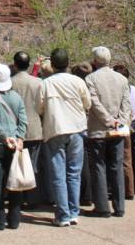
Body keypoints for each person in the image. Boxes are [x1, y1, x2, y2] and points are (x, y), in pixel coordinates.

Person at [37, 48, 91, 227]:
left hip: (56, 130)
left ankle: (63, 215)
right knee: (73, 173)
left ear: (52, 64)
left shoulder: (45, 83)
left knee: (58, 174)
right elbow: (87, 103)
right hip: (77, 129)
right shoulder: (78, 81)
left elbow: (39, 107)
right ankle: (73, 212)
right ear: (68, 63)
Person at [85, 46, 131, 218]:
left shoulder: (90, 78)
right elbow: (126, 104)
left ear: (95, 61)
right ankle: (120, 207)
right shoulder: (121, 79)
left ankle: (102, 208)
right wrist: (120, 122)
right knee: (116, 167)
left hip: (98, 130)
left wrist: (108, 120)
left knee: (99, 167)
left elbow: (94, 103)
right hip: (118, 131)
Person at [0, 63, 28, 230]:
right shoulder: (16, 97)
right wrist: (19, 137)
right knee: (14, 180)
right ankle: (14, 218)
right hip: (15, 144)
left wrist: (4, 137)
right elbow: (23, 119)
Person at [11, 51, 43, 206]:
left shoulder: (10, 83)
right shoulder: (38, 82)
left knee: (15, 164)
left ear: (15, 64)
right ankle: (33, 199)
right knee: (34, 165)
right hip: (35, 127)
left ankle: (16, 197)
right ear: (28, 64)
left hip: (15, 129)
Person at [113, 64, 135, 195]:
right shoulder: (132, 88)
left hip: (121, 123)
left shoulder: (116, 90)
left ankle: (124, 187)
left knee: (121, 154)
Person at [71, 62, 93, 206]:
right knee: (88, 163)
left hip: (78, 126)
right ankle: (88, 195)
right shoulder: (90, 86)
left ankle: (82, 195)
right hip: (89, 126)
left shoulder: (75, 86)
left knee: (76, 164)